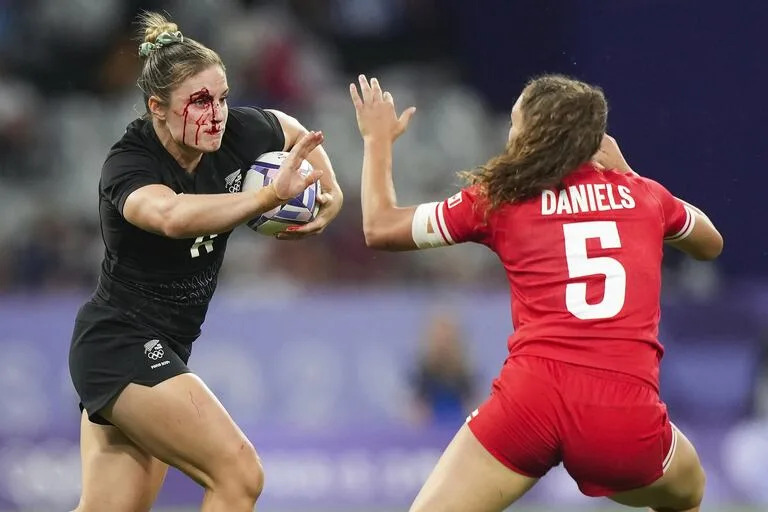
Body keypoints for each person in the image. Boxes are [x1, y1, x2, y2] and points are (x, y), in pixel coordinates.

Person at [349, 74, 722, 512]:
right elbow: (710, 242)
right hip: (622, 416)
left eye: (514, 122)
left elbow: (380, 226)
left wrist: (377, 141)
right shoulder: (645, 196)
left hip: (531, 402)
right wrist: (629, 174)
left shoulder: (501, 199)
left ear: (534, 135)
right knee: (689, 491)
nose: (508, 135)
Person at [68, 12, 343, 512]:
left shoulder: (237, 132)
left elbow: (293, 129)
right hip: (119, 344)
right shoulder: (129, 163)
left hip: (162, 346)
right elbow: (172, 215)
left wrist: (332, 198)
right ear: (157, 108)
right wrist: (266, 199)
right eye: (198, 101)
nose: (216, 114)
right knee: (239, 474)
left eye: (220, 97)